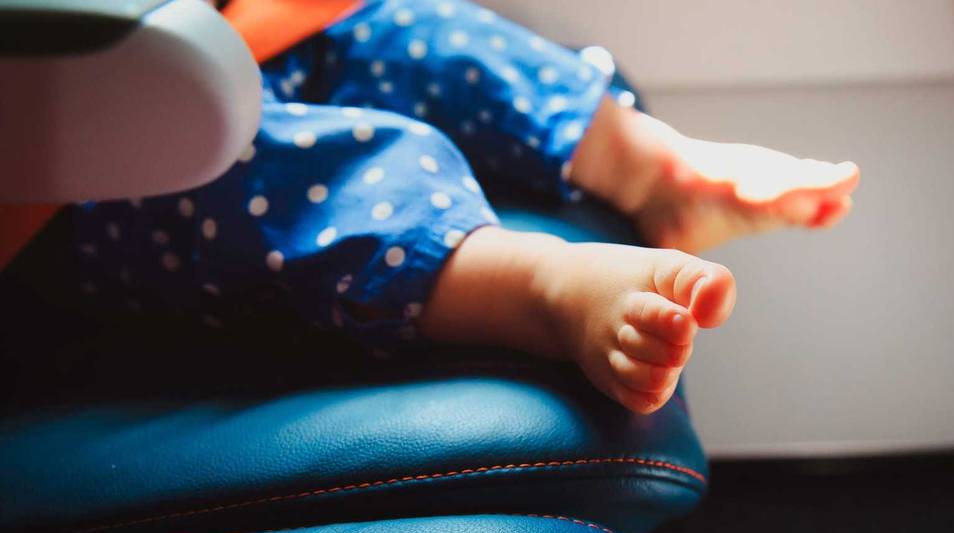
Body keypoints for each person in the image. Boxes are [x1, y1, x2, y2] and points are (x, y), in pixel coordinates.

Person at [70, 0, 860, 414]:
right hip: (72, 141)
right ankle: (538, 289)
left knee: (418, 33)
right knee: (291, 164)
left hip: (210, 30)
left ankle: (648, 170)